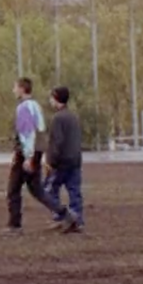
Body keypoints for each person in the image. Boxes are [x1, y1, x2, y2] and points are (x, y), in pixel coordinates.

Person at [5, 77, 59, 234]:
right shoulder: (36, 106)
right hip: (36, 151)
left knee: (13, 189)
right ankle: (64, 214)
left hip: (25, 153)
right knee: (37, 190)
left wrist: (28, 157)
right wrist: (37, 155)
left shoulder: (23, 108)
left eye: (15, 87)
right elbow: (40, 131)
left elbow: (27, 133)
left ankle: (14, 225)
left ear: (22, 89)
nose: (13, 90)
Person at [44, 85, 84, 234]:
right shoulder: (74, 117)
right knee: (75, 192)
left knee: (48, 191)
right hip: (75, 160)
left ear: (55, 98)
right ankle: (77, 220)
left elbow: (57, 142)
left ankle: (60, 218)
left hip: (60, 162)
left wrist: (50, 161)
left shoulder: (57, 118)